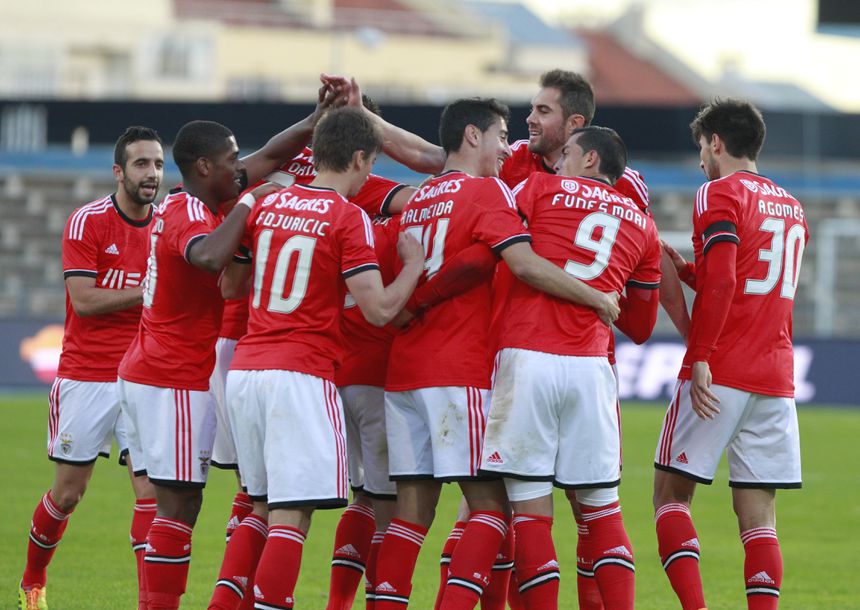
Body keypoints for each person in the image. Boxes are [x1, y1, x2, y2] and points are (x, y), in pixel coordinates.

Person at [370, 97, 620, 610]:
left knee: (410, 514)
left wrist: (412, 305)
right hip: (461, 368)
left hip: (405, 371)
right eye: (502, 136)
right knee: (491, 507)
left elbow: (385, 283)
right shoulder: (488, 192)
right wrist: (595, 297)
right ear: (472, 135)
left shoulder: (414, 203)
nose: (509, 148)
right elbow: (521, 263)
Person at [116, 85, 343, 610]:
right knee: (178, 508)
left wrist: (315, 120)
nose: (242, 168)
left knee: (176, 504)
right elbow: (211, 259)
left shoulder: (203, 194)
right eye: (230, 161)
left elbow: (266, 157)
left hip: (156, 368)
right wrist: (250, 201)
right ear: (202, 167)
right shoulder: (187, 212)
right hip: (171, 374)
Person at [215, 106, 424, 610]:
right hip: (299, 374)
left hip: (247, 370)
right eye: (370, 164)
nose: (369, 175)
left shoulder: (269, 205)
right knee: (292, 515)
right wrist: (413, 267)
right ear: (358, 157)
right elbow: (378, 309)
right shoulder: (348, 217)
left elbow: (231, 285)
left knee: (257, 508)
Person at [479, 126, 662, 610]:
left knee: (532, 515)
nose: (557, 162)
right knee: (603, 511)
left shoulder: (537, 188)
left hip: (528, 358)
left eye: (566, 155)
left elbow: (498, 245)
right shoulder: (643, 226)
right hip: (590, 367)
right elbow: (641, 325)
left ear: (590, 159)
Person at [652, 99, 807, 610]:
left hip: (721, 366)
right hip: (775, 374)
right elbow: (750, 285)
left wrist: (699, 355)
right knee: (759, 519)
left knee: (670, 497)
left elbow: (724, 278)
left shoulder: (718, 192)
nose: (701, 159)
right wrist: (689, 270)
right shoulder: (791, 204)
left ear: (715, 142)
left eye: (702, 147)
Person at [17, 126, 162, 610]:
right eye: (142, 164)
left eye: (159, 164)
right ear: (119, 171)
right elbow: (83, 301)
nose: (152, 174)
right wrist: (146, 295)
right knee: (69, 493)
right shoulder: (88, 222)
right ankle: (33, 580)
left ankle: (149, 603)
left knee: (151, 495)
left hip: (144, 377)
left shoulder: (165, 225)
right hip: (87, 375)